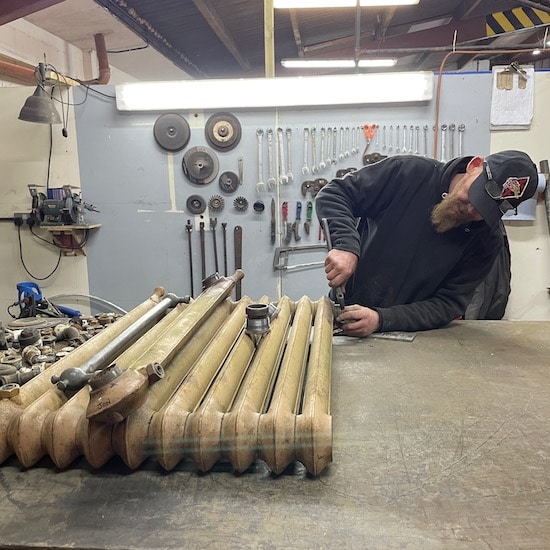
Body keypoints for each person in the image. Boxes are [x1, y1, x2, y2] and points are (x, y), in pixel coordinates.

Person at [315, 150, 539, 337]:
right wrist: (345, 245)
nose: (470, 209)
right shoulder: (408, 173)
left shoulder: (487, 241)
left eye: (484, 209)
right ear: (474, 165)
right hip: (346, 317)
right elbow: (335, 194)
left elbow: (448, 304)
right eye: (475, 195)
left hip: (412, 337)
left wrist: (382, 319)